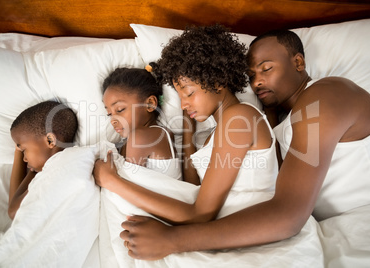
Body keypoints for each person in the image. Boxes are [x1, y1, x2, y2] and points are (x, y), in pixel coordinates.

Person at [118, 29, 370, 260]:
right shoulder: (281, 120)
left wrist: (173, 240)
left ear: (298, 62)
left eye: (266, 69)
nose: (256, 82)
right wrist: (189, 127)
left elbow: (287, 215)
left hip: (365, 222)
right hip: (326, 226)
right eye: (251, 74)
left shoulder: (327, 96)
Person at [93, 25, 278, 227]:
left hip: (249, 227)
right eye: (180, 97)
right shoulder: (215, 135)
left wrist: (112, 181)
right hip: (225, 228)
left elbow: (200, 214)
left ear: (217, 82)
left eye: (189, 93)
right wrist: (188, 125)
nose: (183, 104)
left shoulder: (240, 118)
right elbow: (192, 190)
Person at [97, 67, 181, 179]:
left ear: (150, 104)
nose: (113, 120)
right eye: (109, 114)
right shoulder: (125, 144)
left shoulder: (143, 137)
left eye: (120, 109)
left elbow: (128, 189)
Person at [8, 100, 78, 219]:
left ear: (50, 140)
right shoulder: (53, 168)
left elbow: (14, 212)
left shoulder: (55, 170)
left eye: (23, 150)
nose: (24, 159)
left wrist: (32, 170)